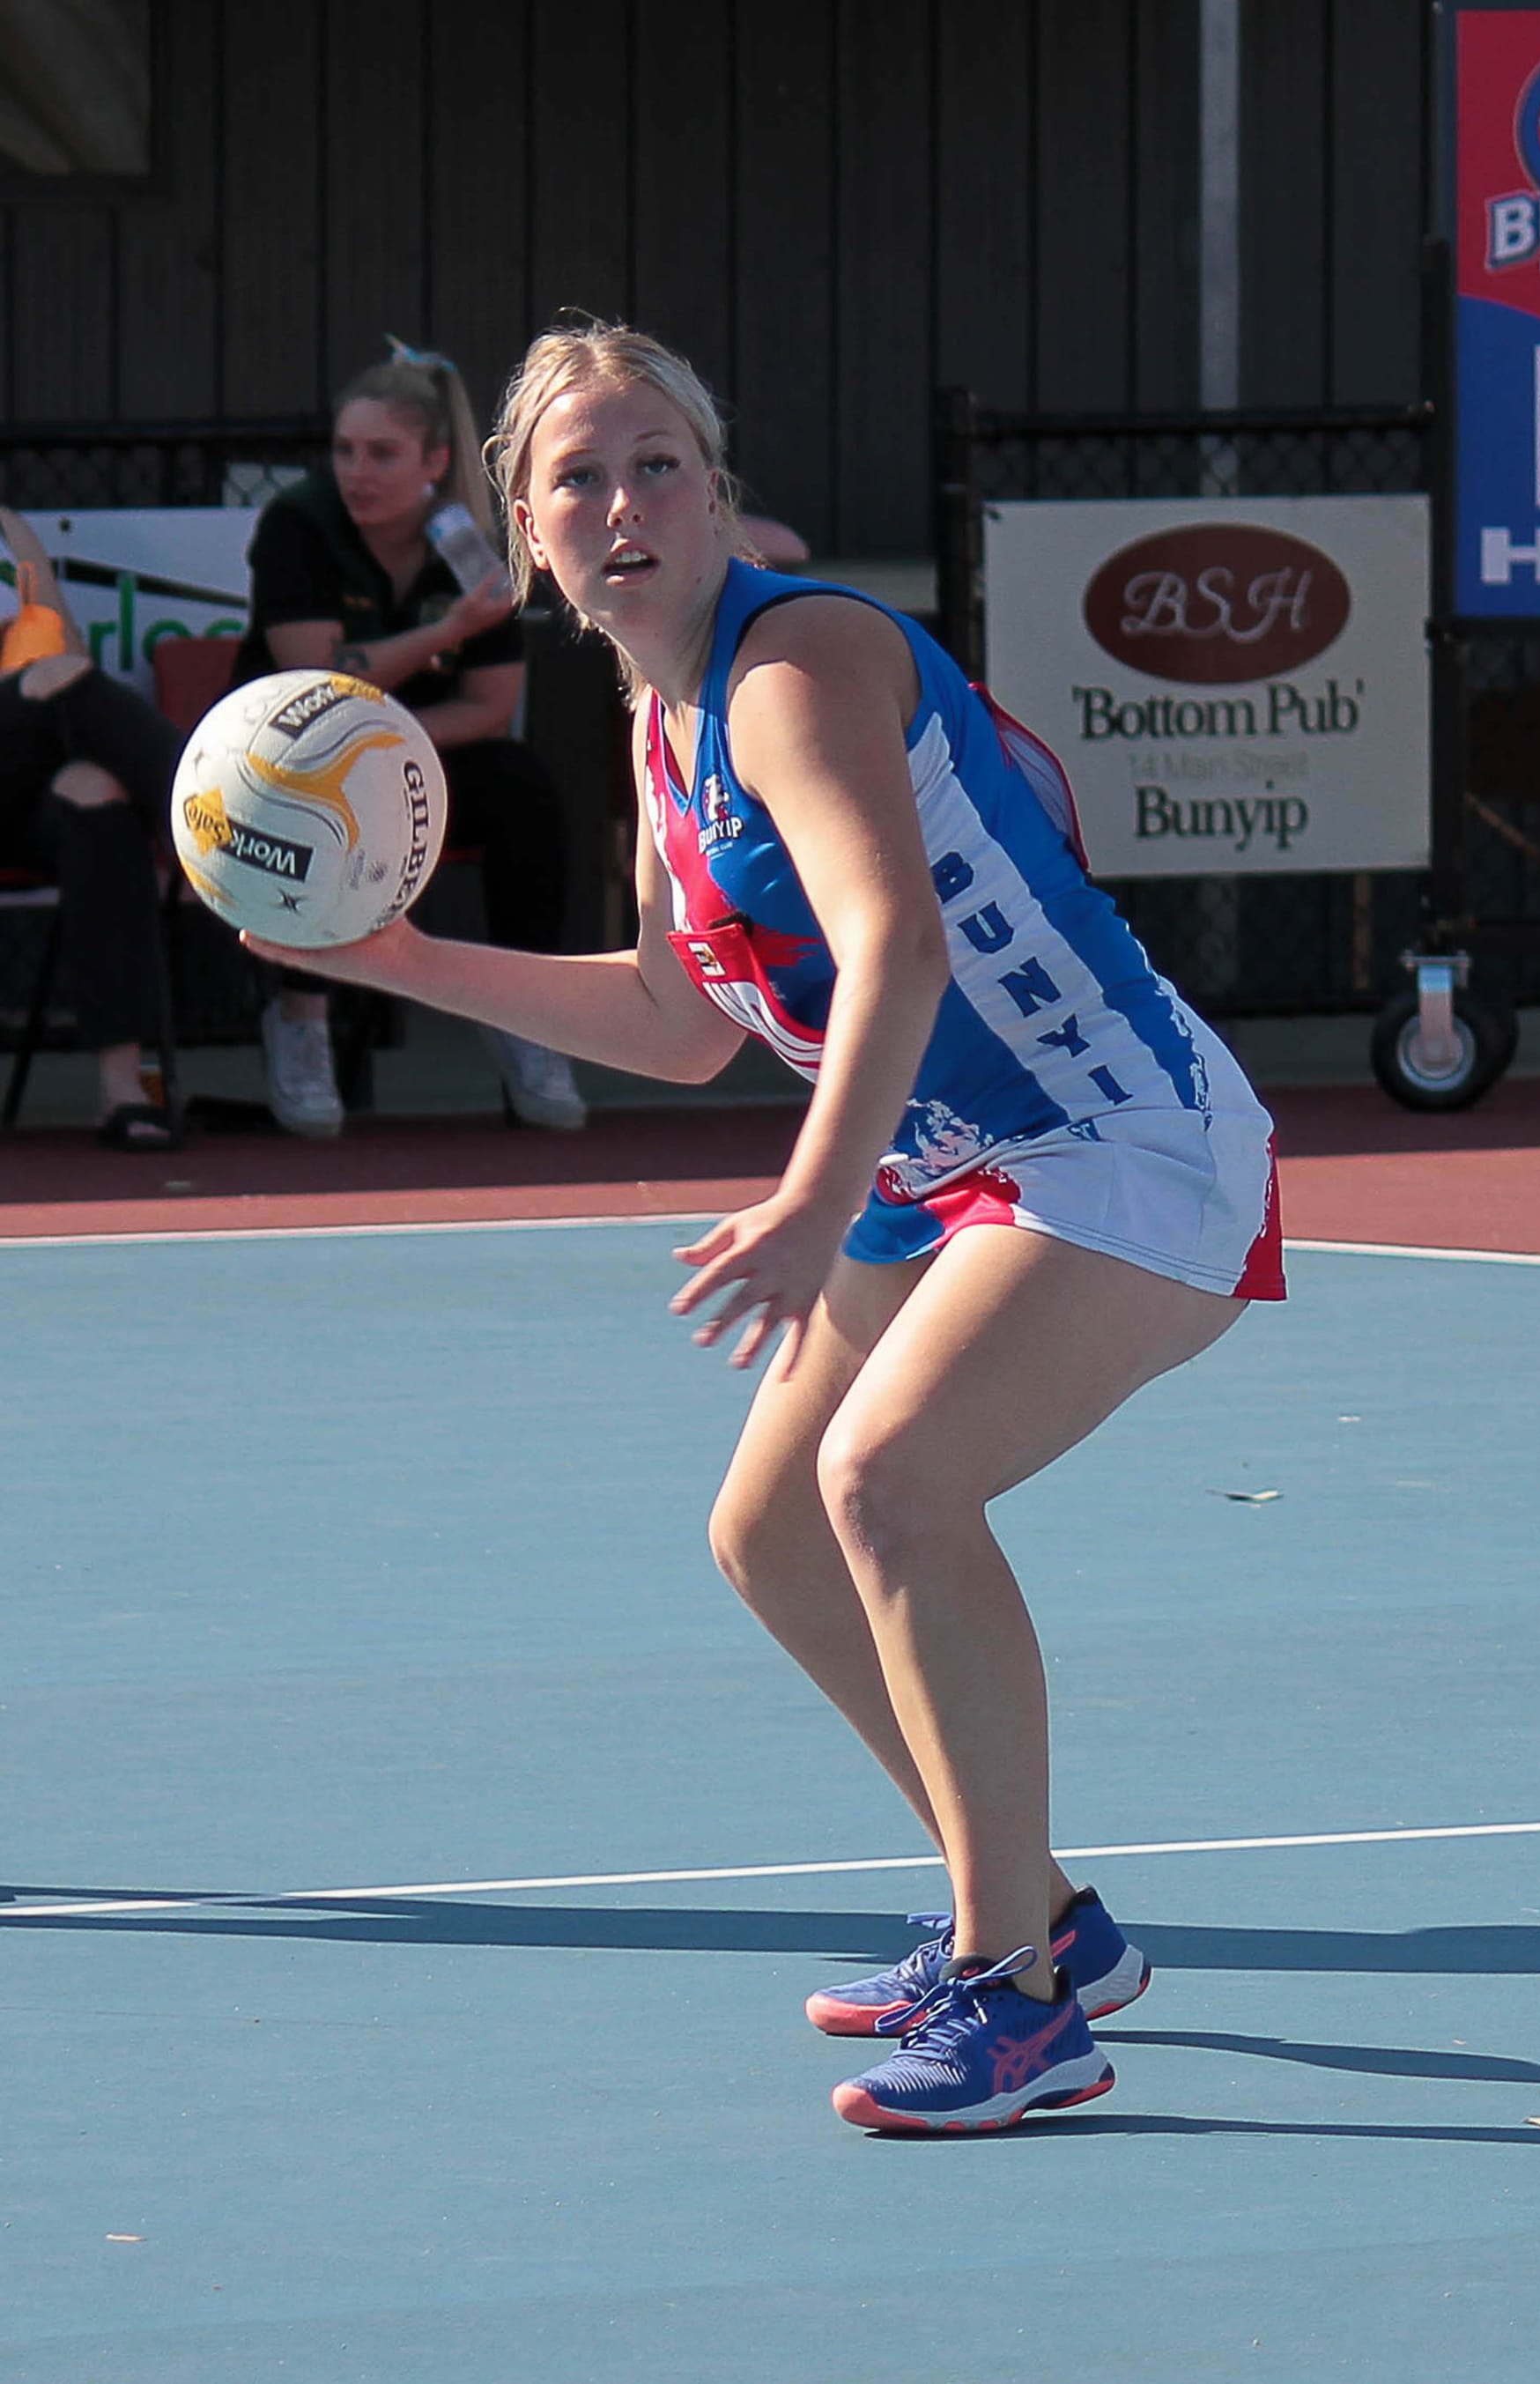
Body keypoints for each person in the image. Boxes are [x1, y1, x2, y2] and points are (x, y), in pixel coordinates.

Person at [248, 321, 1285, 2134]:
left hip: (1118, 1134)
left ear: (715, 495)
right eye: (580, 476)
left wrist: (812, 1201)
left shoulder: (792, 664)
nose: (625, 501)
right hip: (945, 1153)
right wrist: (404, 961)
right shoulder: (661, 727)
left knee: (887, 1483)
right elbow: (675, 1018)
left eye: (659, 464)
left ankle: (1020, 1999)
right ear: (525, 532)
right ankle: (1037, 1908)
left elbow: (897, 939)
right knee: (771, 1535)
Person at [233, 341, 585, 1135]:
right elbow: (317, 678)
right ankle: (300, 1018)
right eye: (345, 451)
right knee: (316, 785)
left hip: (412, 764)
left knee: (521, 784)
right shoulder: (300, 524)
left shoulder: (466, 546)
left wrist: (390, 756)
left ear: (433, 460)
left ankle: (528, 1020)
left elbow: (491, 706)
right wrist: (446, 634)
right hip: (281, 765)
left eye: (382, 454)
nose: (358, 471)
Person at [0, 509, 183, 1150]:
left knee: (94, 793)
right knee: (55, 679)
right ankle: (212, 829)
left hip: (18, 777)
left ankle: (121, 1087)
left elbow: (63, 654)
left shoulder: (9, 533)